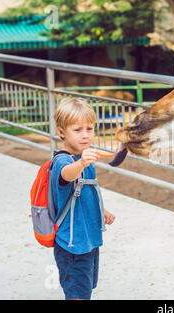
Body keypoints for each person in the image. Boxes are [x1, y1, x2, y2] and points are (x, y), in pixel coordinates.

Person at [51, 97, 116, 300]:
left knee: (84, 289)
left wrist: (100, 209)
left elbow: (85, 190)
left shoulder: (84, 158)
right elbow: (66, 175)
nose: (85, 135)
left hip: (87, 239)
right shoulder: (63, 161)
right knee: (77, 294)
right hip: (72, 244)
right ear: (62, 132)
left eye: (89, 129)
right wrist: (80, 164)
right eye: (77, 130)